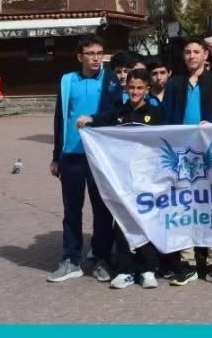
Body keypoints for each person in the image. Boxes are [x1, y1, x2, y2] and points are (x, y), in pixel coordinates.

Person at [160, 37, 212, 285]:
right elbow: (166, 118)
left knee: (211, 205)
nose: (191, 56)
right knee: (183, 208)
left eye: (196, 52)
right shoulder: (174, 84)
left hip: (209, 156)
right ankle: (187, 262)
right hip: (181, 155)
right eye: (187, 52)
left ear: (206, 56)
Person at [80, 70, 163, 289]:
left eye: (139, 88)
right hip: (123, 179)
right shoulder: (119, 112)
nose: (135, 92)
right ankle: (125, 269)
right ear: (126, 89)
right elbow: (100, 120)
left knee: (146, 221)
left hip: (147, 179)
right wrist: (89, 119)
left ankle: (147, 269)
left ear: (147, 89)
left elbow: (169, 138)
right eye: (131, 87)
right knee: (123, 221)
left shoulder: (156, 114)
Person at [49, 35, 116, 284]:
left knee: (102, 210)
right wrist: (56, 156)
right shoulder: (68, 81)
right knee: (71, 211)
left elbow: (114, 113)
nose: (96, 58)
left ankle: (101, 259)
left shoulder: (110, 80)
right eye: (90, 53)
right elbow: (60, 118)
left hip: (100, 156)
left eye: (99, 53)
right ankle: (71, 260)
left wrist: (94, 119)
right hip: (72, 156)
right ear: (80, 57)